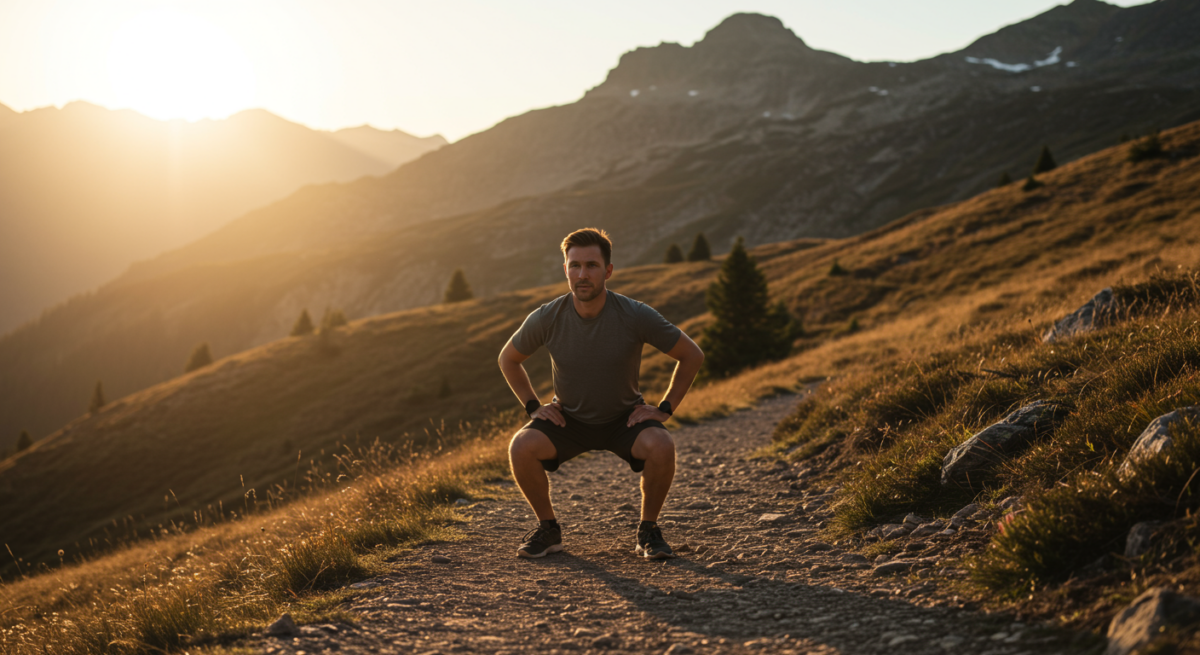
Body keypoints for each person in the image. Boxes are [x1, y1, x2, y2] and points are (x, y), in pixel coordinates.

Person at [497, 227, 704, 560]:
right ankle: (547, 529)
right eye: (574, 265)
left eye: (592, 265)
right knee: (521, 446)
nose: (583, 274)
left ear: (608, 271)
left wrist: (665, 408)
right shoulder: (548, 316)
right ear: (565, 269)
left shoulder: (634, 314)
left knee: (662, 445)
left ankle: (648, 530)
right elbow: (508, 359)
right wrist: (533, 406)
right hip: (569, 421)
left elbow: (691, 355)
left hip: (625, 419)